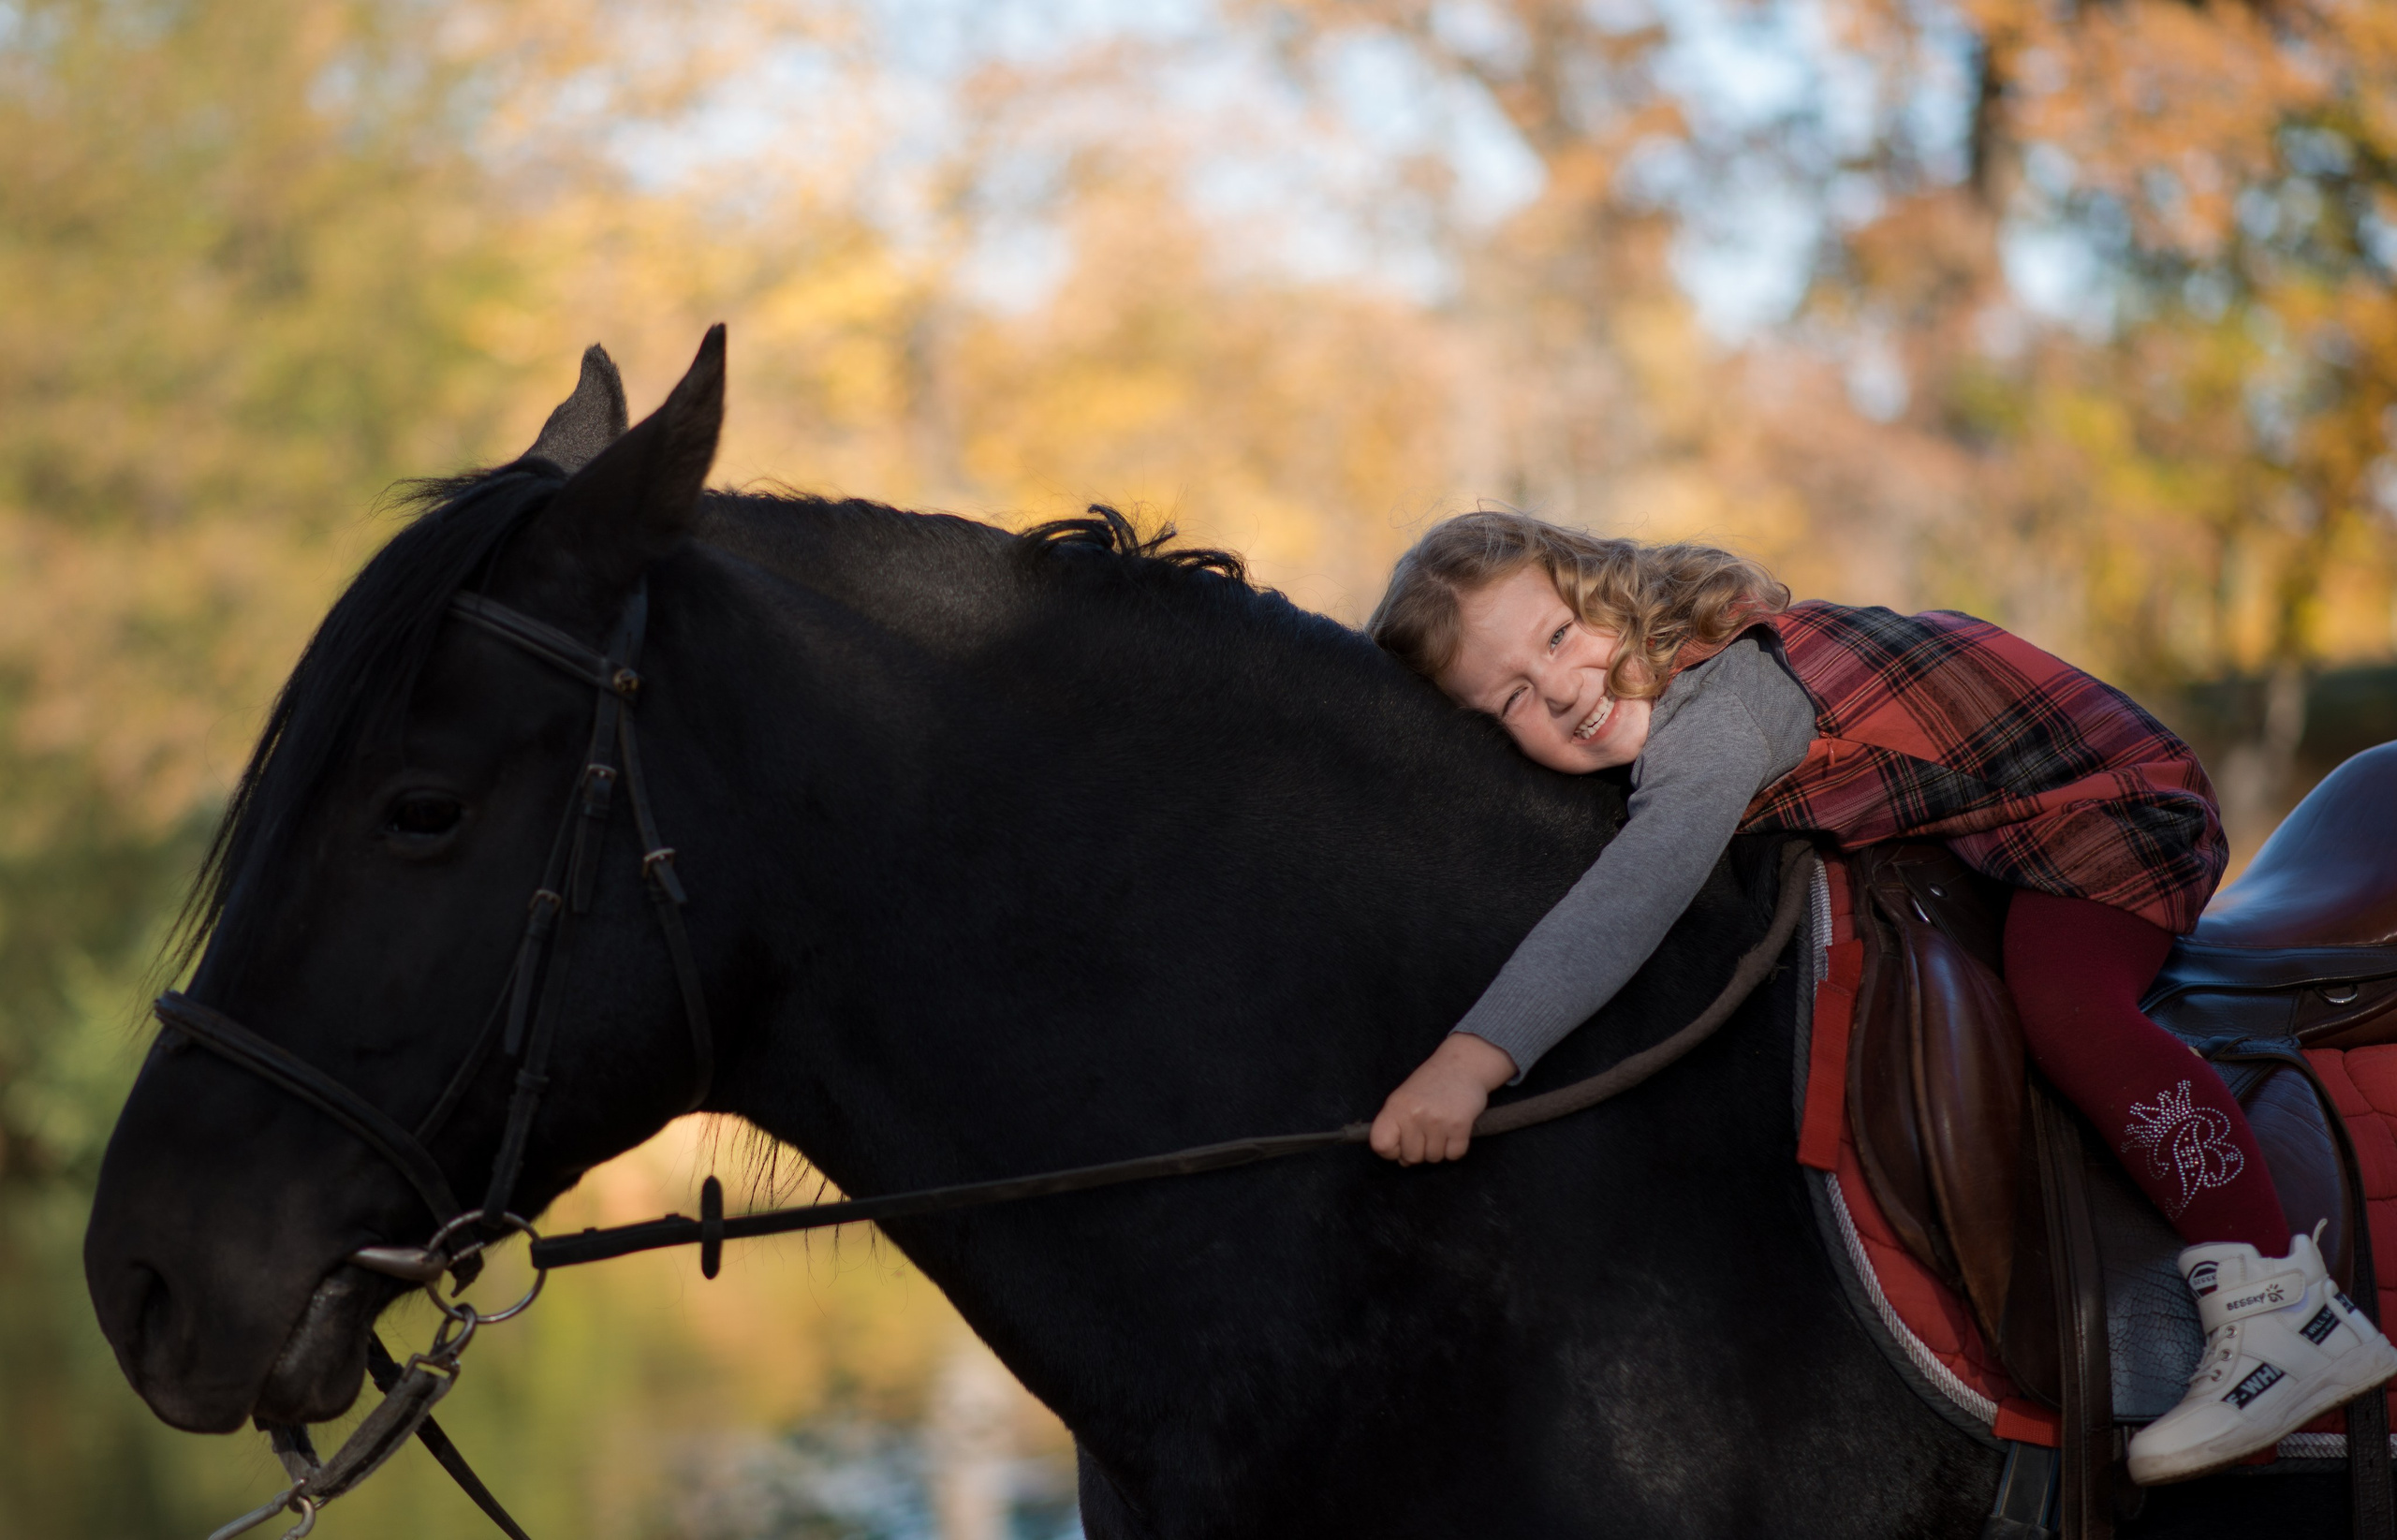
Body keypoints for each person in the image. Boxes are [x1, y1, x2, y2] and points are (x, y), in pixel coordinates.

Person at [1361, 509, 2397, 1484]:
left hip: (2107, 803)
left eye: (1554, 636)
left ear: (1602, 592)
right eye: (1505, 697)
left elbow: (1639, 888)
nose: (1555, 688)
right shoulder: (1668, 690)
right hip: (2009, 820)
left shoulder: (1720, 708)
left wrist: (1472, 1060)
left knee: (2070, 1006)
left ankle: (2283, 1306)